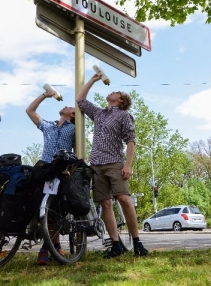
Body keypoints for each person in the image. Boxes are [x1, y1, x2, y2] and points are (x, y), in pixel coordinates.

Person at [76, 74, 148, 258]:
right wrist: (92, 80)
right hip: (97, 165)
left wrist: (128, 165)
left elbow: (130, 141)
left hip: (115, 163)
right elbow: (80, 100)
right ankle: (116, 244)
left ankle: (137, 242)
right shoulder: (99, 114)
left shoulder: (124, 116)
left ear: (121, 100)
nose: (112, 91)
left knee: (124, 199)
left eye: (116, 92)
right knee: (105, 203)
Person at [26, 90, 75, 265]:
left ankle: (46, 249)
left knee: (55, 210)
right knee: (43, 207)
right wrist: (44, 96)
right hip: (45, 170)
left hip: (61, 171)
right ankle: (55, 245)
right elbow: (30, 111)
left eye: (69, 106)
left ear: (73, 114)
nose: (65, 105)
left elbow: (78, 152)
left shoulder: (74, 128)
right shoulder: (48, 125)